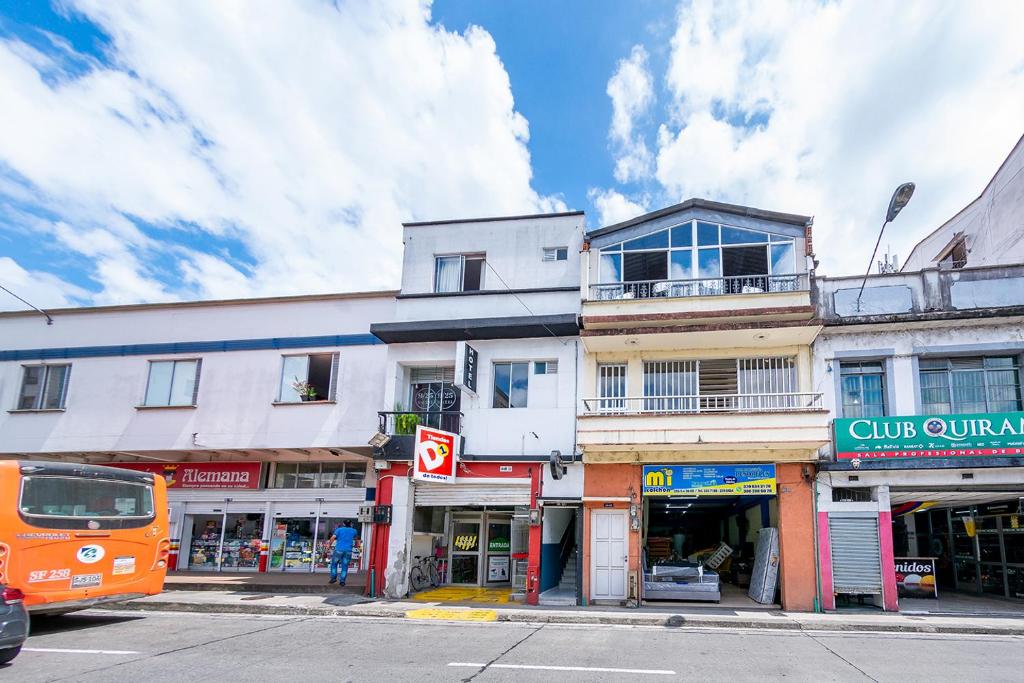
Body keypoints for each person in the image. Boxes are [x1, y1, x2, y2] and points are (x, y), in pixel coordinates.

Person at [328, 520, 357, 586]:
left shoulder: (339, 530)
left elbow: (332, 538)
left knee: (334, 564)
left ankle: (333, 578)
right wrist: (355, 546)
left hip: (339, 550)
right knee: (345, 566)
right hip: (348, 551)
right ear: (351, 524)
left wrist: (329, 545)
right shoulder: (354, 531)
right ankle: (342, 581)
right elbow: (356, 540)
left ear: (343, 524)